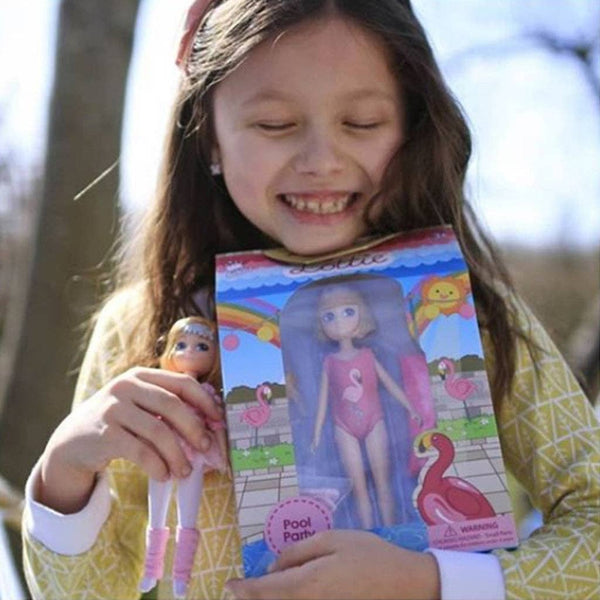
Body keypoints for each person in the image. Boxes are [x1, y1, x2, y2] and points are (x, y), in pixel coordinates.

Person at [22, 1, 599, 599]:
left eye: (363, 123)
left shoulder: (469, 315)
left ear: (413, 127)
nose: (321, 161)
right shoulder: (146, 327)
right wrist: (64, 475)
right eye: (275, 125)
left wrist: (431, 581)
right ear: (208, 138)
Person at [310, 284, 422, 528]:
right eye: (329, 316)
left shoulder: (368, 356)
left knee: (383, 483)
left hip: (375, 421)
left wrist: (411, 408)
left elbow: (390, 385)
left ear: (362, 314)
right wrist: (317, 432)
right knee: (358, 488)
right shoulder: (329, 362)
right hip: (343, 427)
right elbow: (322, 401)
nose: (339, 322)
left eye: (348, 312)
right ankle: (368, 536)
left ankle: (392, 532)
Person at [140, 317, 229, 597]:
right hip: (164, 453)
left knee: (186, 519)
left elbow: (216, 425)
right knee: (157, 516)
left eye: (201, 346)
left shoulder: (207, 393)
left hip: (194, 460)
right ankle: (151, 569)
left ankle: (181, 577)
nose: (189, 351)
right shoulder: (164, 388)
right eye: (181, 345)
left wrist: (224, 457)